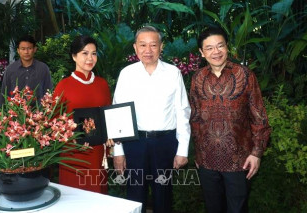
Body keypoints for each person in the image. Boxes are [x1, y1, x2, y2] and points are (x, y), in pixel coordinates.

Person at [189, 26, 271, 213]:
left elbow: (259, 116)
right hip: (207, 160)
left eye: (220, 46)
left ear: (227, 47)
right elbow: (194, 118)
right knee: (213, 208)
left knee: (237, 209)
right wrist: (198, 153)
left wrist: (256, 153)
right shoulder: (197, 78)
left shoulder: (246, 75)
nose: (216, 52)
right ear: (202, 53)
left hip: (239, 160)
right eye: (209, 48)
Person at [112, 25, 191, 213]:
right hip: (134, 143)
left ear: (161, 47)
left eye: (153, 45)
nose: (148, 50)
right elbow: (117, 113)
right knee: (134, 195)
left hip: (165, 143)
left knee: (163, 194)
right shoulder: (127, 74)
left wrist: (183, 149)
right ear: (135, 48)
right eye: (143, 45)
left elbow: (182, 111)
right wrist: (118, 151)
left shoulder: (173, 73)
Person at [53, 35, 111, 194]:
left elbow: (108, 116)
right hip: (73, 153)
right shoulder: (63, 86)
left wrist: (112, 134)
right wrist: (72, 137)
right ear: (74, 56)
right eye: (85, 53)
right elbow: (53, 121)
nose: (90, 58)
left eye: (94, 53)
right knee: (74, 197)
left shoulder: (102, 84)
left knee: (97, 196)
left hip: (97, 151)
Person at [0, 35, 52, 106]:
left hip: (38, 113)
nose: (26, 52)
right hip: (16, 112)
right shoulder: (10, 69)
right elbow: (4, 94)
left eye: (29, 48)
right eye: (23, 49)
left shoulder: (43, 68)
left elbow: (48, 91)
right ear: (18, 50)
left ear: (35, 49)